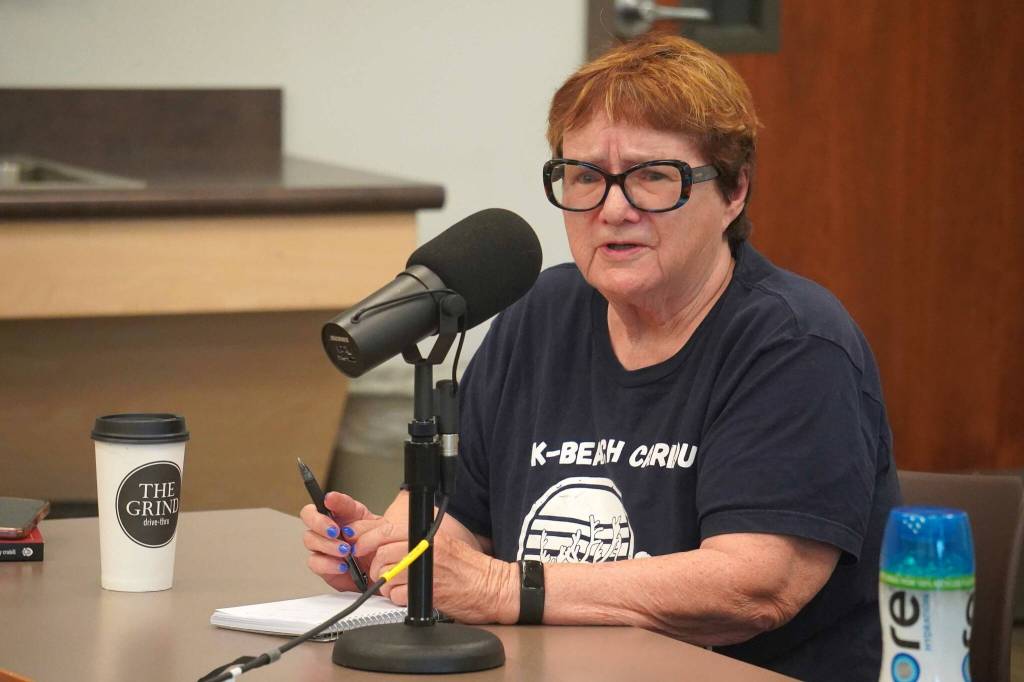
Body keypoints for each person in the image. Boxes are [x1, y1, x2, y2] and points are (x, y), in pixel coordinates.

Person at [301, 34, 899, 681]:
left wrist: (505, 589)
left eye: (651, 177)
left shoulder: (794, 343)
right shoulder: (541, 314)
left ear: (734, 192)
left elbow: (754, 586)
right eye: (585, 177)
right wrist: (391, 552)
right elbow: (456, 527)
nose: (614, 209)